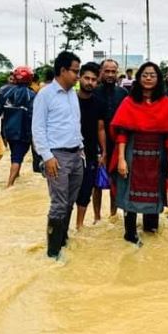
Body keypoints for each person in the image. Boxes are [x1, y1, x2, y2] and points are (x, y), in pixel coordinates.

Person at [108, 62, 168, 245]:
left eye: (153, 75)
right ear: (139, 78)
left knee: (154, 194)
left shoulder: (165, 103)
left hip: (157, 156)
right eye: (145, 75)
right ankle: (130, 235)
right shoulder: (129, 102)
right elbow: (122, 133)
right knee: (128, 193)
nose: (148, 78)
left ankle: (151, 234)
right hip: (132, 153)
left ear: (158, 79)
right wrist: (121, 160)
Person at [31, 51, 85, 259]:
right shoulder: (45, 95)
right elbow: (38, 129)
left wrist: (81, 150)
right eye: (75, 71)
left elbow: (73, 124)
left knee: (69, 202)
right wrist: (47, 156)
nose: (77, 76)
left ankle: (63, 240)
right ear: (63, 70)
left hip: (75, 155)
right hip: (57, 157)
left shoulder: (72, 93)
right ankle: (52, 252)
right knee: (59, 203)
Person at [0, 66, 36, 187]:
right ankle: (10, 185)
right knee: (17, 157)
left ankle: (17, 176)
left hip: (8, 131)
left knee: (16, 154)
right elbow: (34, 116)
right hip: (23, 131)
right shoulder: (31, 95)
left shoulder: (5, 91)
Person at [92, 59, 127, 220]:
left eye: (113, 71)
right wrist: (101, 150)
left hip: (118, 144)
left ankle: (113, 215)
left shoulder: (123, 94)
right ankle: (97, 217)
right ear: (101, 72)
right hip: (95, 144)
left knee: (115, 182)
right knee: (96, 183)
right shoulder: (93, 92)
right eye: (107, 71)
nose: (110, 75)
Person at [75, 62, 107, 229]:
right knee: (67, 192)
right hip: (70, 152)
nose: (90, 82)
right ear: (79, 78)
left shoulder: (98, 102)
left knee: (86, 189)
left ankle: (79, 225)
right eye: (86, 78)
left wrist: (104, 151)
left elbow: (101, 128)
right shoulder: (70, 100)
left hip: (90, 152)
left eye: (94, 79)